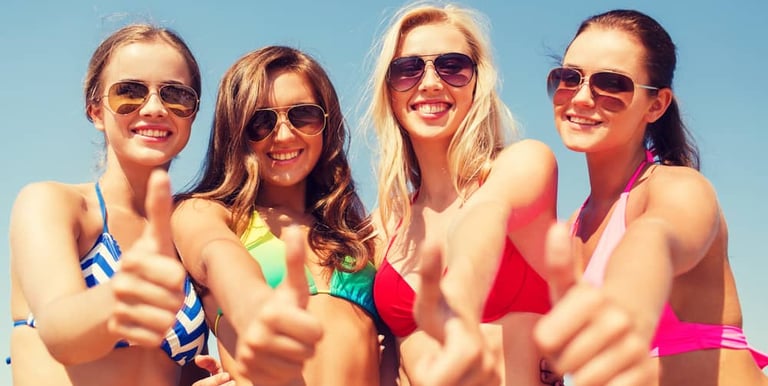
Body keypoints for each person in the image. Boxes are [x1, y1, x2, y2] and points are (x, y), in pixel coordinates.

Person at [534, 9, 768, 386]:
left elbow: (655, 240)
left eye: (612, 84)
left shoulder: (678, 187)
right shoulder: (573, 226)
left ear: (656, 105)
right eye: (569, 78)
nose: (581, 97)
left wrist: (628, 304)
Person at [366, 3, 559, 385]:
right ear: (389, 91)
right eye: (408, 69)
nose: (430, 82)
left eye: (452, 66)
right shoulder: (382, 226)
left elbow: (485, 217)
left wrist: (458, 301)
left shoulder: (523, 164)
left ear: (477, 83)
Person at [8, 24, 209, 386]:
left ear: (192, 114)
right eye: (129, 92)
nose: (155, 108)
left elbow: (190, 370)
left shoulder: (186, 234)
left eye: (175, 95)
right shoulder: (54, 204)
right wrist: (122, 295)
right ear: (96, 111)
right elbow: (60, 333)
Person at [172, 45, 385, 386]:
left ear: (326, 123)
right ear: (235, 131)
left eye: (303, 115)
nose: (284, 135)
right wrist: (255, 305)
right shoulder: (206, 213)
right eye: (261, 122)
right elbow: (215, 252)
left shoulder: (357, 234)